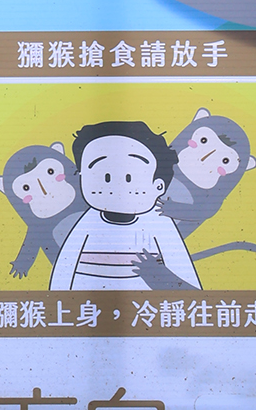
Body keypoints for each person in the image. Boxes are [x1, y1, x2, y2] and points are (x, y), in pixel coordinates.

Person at [49, 120, 201, 292]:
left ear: (158, 185)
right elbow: (66, 264)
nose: (117, 184)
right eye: (105, 176)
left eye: (129, 177)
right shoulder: (89, 221)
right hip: (87, 303)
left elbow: (180, 266)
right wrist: (56, 300)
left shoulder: (159, 221)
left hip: (145, 305)